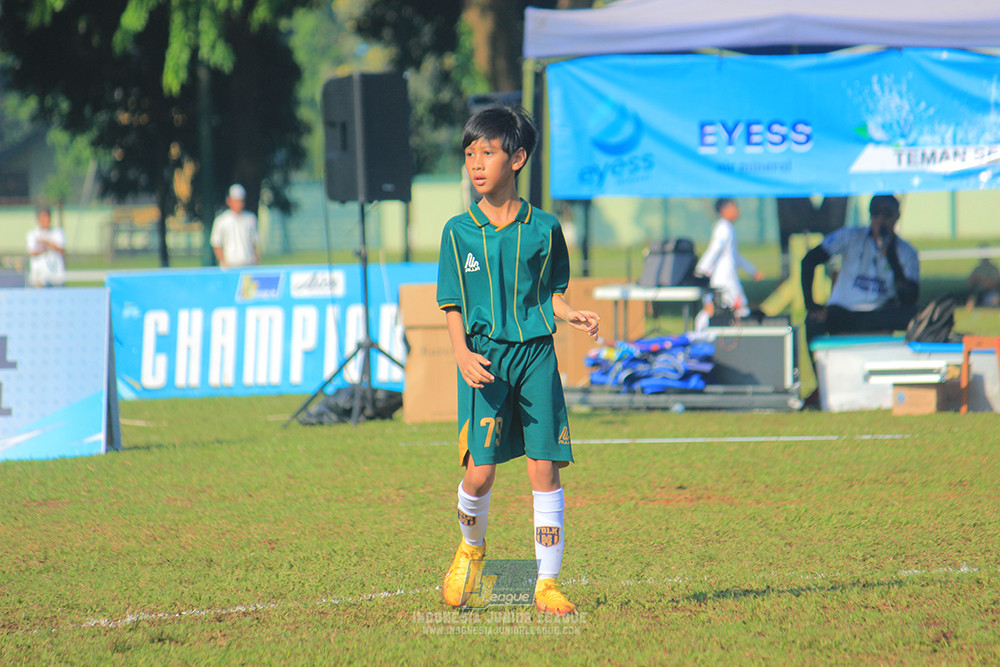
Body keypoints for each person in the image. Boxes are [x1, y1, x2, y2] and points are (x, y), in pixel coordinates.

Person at [436, 106, 600, 616]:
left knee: (544, 470)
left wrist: (569, 313)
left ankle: (546, 584)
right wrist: (461, 353)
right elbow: (453, 303)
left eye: (487, 152)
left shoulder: (545, 228)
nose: (476, 164)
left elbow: (549, 293)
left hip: (535, 358)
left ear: (518, 158)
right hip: (484, 361)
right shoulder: (457, 231)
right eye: (469, 155)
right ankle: (471, 549)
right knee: (480, 475)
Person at [801, 194, 920, 346]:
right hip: (844, 310)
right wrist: (810, 304)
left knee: (918, 318)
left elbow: (910, 299)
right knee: (813, 320)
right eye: (876, 212)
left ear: (897, 216)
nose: (881, 219)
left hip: (879, 312)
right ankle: (819, 368)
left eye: (887, 214)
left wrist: (892, 259)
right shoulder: (850, 236)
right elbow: (809, 260)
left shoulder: (907, 252)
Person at [693, 198, 763, 318]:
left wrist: (752, 271)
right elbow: (714, 250)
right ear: (724, 210)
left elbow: (735, 256)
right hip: (724, 281)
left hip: (729, 279)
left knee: (734, 310)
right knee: (729, 310)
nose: (738, 210)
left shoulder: (728, 228)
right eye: (734, 207)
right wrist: (701, 271)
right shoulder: (723, 228)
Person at [210, 184, 259, 268]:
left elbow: (255, 242)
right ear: (229, 201)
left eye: (240, 201)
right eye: (235, 201)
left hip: (248, 264)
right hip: (230, 266)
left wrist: (256, 260)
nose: (238, 204)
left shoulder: (250, 218)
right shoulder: (221, 220)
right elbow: (216, 244)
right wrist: (223, 262)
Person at [26, 206, 66, 287]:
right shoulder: (33, 234)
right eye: (43, 218)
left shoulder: (57, 233)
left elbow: (62, 250)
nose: (46, 221)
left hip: (56, 277)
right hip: (39, 278)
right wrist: (45, 247)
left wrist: (47, 243)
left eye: (48, 218)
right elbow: (32, 252)